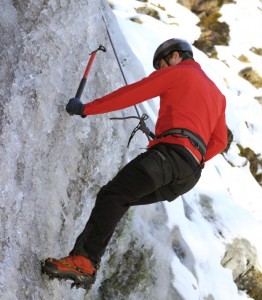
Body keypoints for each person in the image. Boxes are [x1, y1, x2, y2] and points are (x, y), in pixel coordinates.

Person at [41, 38, 227, 290]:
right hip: (189, 174)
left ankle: (84, 262)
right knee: (120, 199)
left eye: (161, 65)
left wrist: (86, 108)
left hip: (169, 156)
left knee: (113, 194)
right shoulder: (217, 94)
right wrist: (187, 149)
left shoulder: (179, 72)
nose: (160, 71)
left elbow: (133, 93)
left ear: (175, 56)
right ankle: (85, 262)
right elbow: (219, 141)